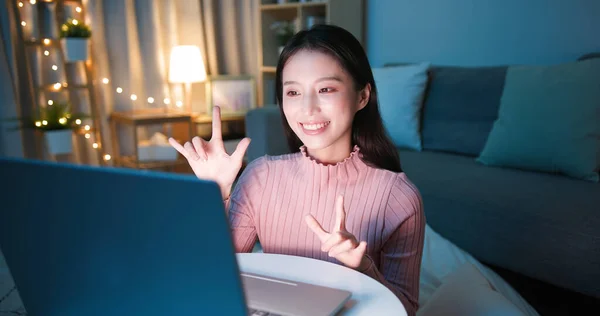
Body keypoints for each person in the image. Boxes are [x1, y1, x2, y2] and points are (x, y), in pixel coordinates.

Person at [169, 24, 425, 315]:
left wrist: (363, 267)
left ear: (362, 97)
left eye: (326, 89)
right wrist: (215, 194)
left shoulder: (399, 197)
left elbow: (405, 309)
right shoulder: (260, 178)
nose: (307, 108)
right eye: (293, 92)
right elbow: (212, 277)